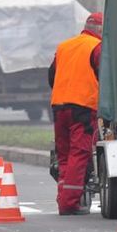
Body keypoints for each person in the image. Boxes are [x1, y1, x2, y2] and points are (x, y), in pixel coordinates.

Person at [48, 12, 103, 215]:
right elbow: (104, 77)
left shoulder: (64, 46)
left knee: (64, 155)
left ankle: (63, 197)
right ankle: (69, 204)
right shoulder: (96, 47)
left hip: (59, 106)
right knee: (79, 153)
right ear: (100, 30)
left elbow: (51, 76)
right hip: (83, 107)